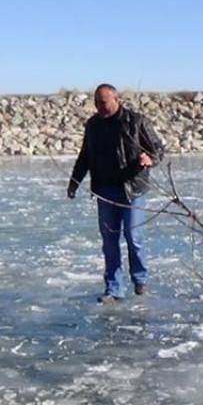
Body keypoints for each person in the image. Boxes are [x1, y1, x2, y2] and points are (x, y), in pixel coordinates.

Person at [68, 84, 166, 303]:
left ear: (116, 99)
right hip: (105, 190)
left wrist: (150, 159)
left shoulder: (136, 121)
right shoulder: (93, 125)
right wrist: (74, 182)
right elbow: (84, 156)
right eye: (96, 103)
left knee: (133, 236)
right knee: (109, 241)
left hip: (132, 189)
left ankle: (139, 278)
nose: (99, 107)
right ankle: (113, 288)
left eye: (103, 102)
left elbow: (158, 148)